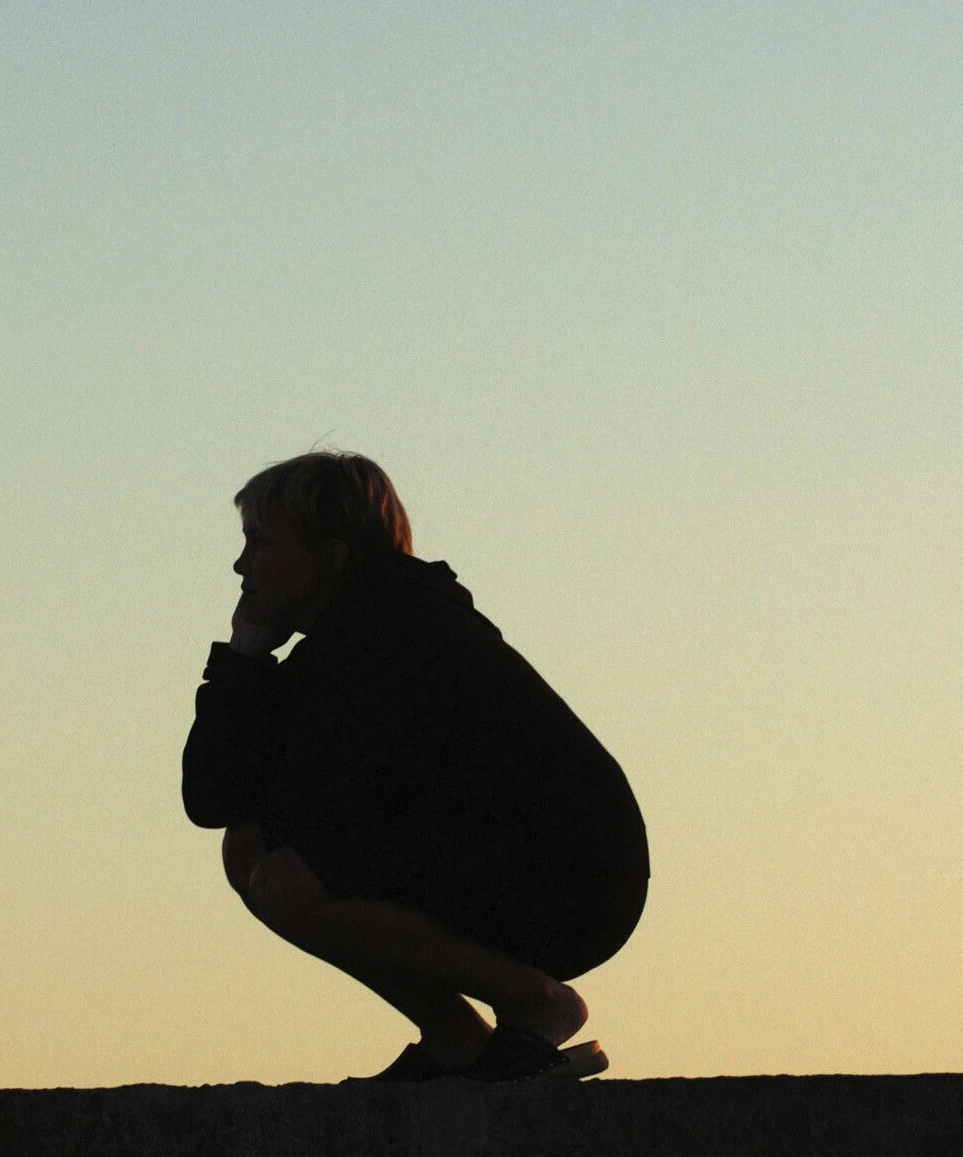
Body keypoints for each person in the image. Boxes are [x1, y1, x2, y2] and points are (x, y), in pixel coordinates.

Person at [182, 451, 648, 1081]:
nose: (242, 566)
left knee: (286, 876)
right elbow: (215, 801)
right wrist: (244, 657)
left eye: (261, 543)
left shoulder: (395, 629)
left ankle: (536, 1004)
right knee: (251, 850)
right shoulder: (340, 644)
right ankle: (459, 1039)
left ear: (331, 557)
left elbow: (323, 799)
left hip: (568, 874)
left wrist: (253, 702)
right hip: (488, 854)